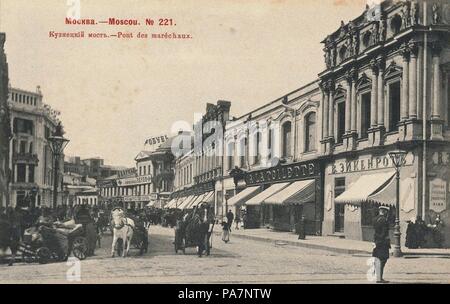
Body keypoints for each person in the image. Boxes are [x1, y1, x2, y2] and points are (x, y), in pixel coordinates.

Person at [372, 206, 391, 283]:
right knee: (383, 259)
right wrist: (382, 240)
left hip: (376, 241)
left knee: (377, 259)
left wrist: (376, 241)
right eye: (386, 212)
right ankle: (379, 278)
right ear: (385, 212)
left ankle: (376, 275)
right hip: (382, 243)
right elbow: (383, 233)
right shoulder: (384, 220)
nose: (387, 214)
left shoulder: (375, 219)